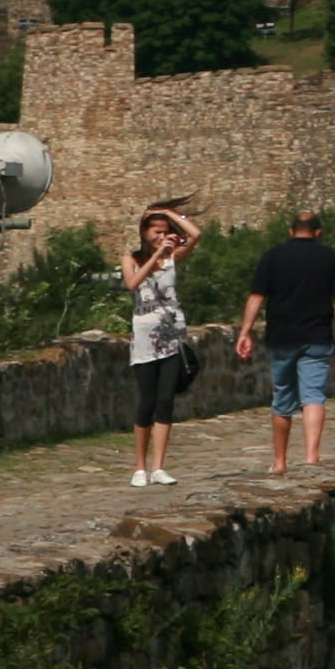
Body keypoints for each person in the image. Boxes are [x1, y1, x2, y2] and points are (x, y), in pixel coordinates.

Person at [234, 206, 335, 474]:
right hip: (317, 336)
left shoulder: (273, 256)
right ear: (318, 232)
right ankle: (311, 457)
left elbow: (256, 296)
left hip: (281, 337)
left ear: (291, 231)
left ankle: (279, 461)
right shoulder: (329, 257)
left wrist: (245, 332)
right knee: (313, 396)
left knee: (282, 398)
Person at [123, 202, 205, 487]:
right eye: (155, 231)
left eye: (164, 232)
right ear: (144, 233)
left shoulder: (173, 257)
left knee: (165, 400)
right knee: (147, 401)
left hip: (172, 337)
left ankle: (159, 466)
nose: (161, 236)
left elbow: (196, 234)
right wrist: (157, 254)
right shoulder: (131, 258)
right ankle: (139, 467)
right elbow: (133, 283)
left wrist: (170, 214)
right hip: (145, 339)